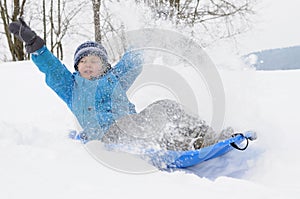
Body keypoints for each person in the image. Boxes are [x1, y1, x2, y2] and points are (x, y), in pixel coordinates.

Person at [9, 18, 233, 151]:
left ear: (104, 66)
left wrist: (142, 34)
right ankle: (172, 146)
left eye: (94, 61)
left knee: (166, 106)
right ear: (76, 67)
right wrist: (35, 46)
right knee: (143, 134)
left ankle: (204, 137)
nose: (87, 65)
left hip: (133, 123)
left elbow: (133, 61)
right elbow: (53, 70)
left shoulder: (114, 79)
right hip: (108, 136)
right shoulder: (71, 87)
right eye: (82, 62)